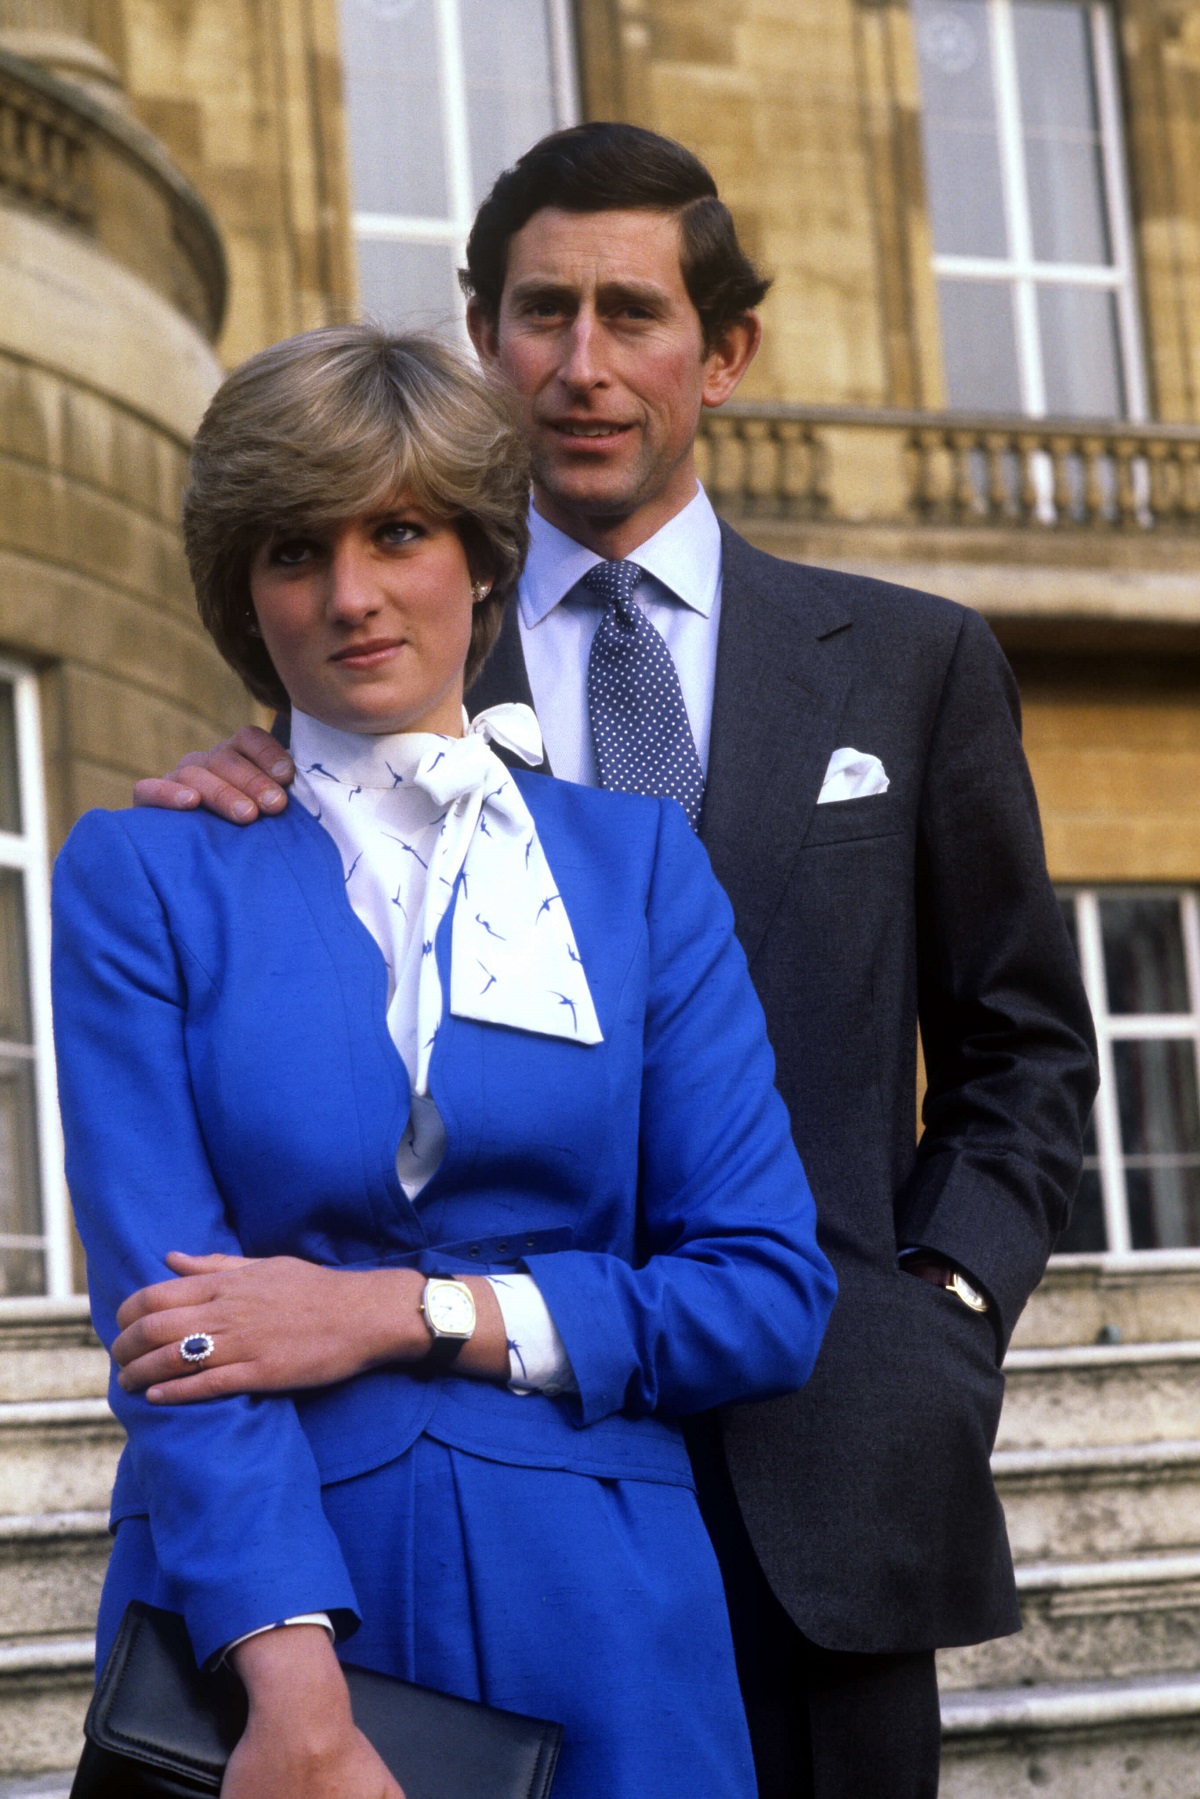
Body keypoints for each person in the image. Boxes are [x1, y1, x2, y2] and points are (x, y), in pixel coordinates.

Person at [132, 125, 1099, 1799]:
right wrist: (262, 784)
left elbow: (1026, 1051)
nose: (582, 366)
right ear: (483, 333)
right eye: (539, 312)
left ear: (722, 353)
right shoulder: (389, 639)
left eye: (633, 314)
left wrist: (940, 1311)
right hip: (491, 1495)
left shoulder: (915, 668)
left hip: (833, 1462)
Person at [52, 326, 837, 1799]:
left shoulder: (641, 873)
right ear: (245, 593)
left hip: (602, 1608)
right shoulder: (143, 876)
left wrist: (398, 1312)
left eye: (398, 533)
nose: (351, 595)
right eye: (295, 553)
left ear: (480, 559)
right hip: (265, 1613)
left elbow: (763, 1294)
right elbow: (172, 1331)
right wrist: (294, 1696)